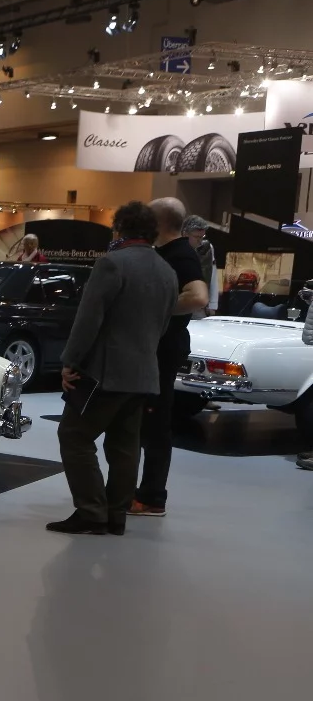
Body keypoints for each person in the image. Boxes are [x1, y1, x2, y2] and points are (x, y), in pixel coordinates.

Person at [49, 201, 179, 535]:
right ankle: (116, 514)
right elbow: (164, 326)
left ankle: (92, 511)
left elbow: (88, 319)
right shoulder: (167, 272)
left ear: (120, 228)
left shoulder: (112, 264)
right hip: (144, 374)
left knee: (74, 436)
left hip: (104, 373)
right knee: (125, 446)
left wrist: (70, 362)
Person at [130, 198, 210, 518]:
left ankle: (152, 496)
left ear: (159, 222)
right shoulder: (165, 253)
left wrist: (155, 310)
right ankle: (140, 491)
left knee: (155, 423)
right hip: (155, 348)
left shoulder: (180, 254)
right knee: (144, 421)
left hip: (163, 350)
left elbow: (198, 297)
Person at [182, 215, 215, 318]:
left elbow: (212, 274)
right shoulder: (176, 248)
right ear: (185, 234)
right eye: (197, 237)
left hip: (199, 303)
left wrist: (212, 304)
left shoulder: (207, 248)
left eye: (202, 237)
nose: (200, 241)